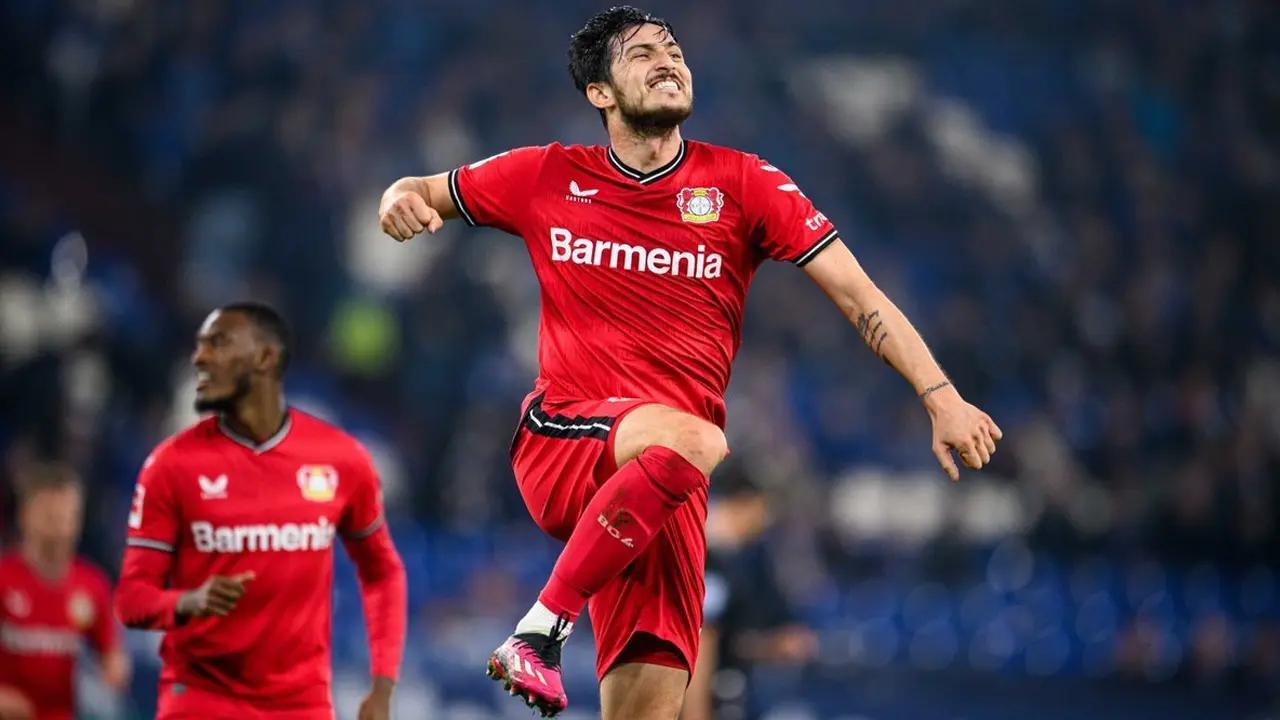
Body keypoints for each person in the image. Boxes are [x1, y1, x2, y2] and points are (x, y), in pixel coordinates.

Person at [377, 6, 1002, 717]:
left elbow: (860, 296)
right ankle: (540, 629)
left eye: (673, 49)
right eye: (642, 54)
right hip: (567, 440)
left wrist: (940, 396)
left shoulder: (744, 183)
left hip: (665, 496)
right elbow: (418, 188)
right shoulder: (548, 175)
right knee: (699, 438)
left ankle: (550, 628)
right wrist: (398, 202)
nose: (667, 60)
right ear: (600, 92)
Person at [112, 303, 407, 720]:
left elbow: (382, 573)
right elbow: (133, 598)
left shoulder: (329, 460)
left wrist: (381, 683)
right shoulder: (168, 471)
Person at [681, 463, 816, 720]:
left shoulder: (747, 557)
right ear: (743, 503)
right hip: (701, 696)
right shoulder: (705, 557)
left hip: (733, 691)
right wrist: (696, 715)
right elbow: (701, 644)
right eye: (761, 508)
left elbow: (736, 637)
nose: (765, 519)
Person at [0, 463, 130, 720]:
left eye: (69, 517)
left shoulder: (92, 584)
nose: (61, 528)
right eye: (51, 517)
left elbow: (112, 658)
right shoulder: (4, 580)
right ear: (25, 516)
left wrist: (112, 673)